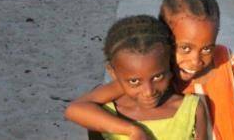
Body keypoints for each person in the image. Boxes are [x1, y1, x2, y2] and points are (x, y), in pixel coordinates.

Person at [66, 0, 234, 140]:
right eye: (185, 48)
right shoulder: (157, 77)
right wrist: (131, 130)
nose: (196, 60)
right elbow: (80, 107)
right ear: (166, 42)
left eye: (206, 47)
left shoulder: (223, 58)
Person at [64, 15, 207, 140]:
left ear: (169, 65)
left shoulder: (191, 110)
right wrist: (133, 131)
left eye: (157, 77)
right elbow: (73, 110)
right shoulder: (105, 113)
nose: (149, 91)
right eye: (134, 81)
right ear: (113, 73)